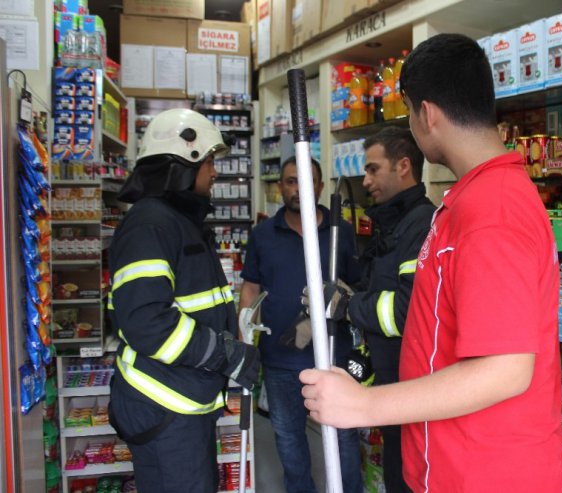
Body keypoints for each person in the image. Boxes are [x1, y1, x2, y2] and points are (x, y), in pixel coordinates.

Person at [300, 33, 562, 492]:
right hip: (452, 464)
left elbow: (505, 368)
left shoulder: (493, 212)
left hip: (485, 475)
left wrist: (364, 407)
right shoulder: (470, 201)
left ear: (428, 113)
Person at [107, 108, 261, 493]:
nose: (214, 172)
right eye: (209, 161)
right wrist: (226, 354)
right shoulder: (150, 225)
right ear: (182, 164)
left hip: (182, 400)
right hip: (164, 404)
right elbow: (148, 324)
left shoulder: (177, 221)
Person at [239, 156, 363, 493]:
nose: (298, 189)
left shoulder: (341, 232)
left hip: (334, 354)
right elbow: (251, 288)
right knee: (288, 436)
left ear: (321, 187)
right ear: (280, 187)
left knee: (344, 434)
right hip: (280, 358)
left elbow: (357, 288)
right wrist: (245, 342)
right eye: (291, 181)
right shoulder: (263, 235)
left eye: (306, 181)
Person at [346, 126, 435, 493]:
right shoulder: (394, 223)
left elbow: (406, 311)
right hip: (392, 384)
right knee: (396, 473)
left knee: (406, 478)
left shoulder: (421, 223)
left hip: (410, 386)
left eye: (372, 169)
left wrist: (349, 306)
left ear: (403, 166)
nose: (365, 181)